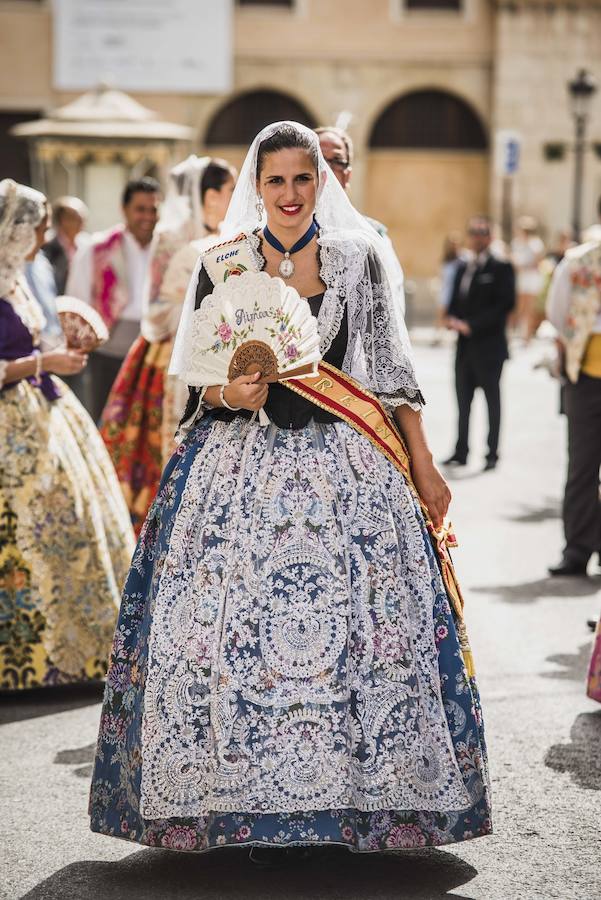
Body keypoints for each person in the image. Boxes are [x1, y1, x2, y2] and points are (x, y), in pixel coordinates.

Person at [89, 122, 491, 858]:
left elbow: (393, 375)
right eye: (275, 181)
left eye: (303, 179)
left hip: (347, 468)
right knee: (216, 633)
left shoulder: (357, 257)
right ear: (256, 185)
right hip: (237, 468)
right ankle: (223, 797)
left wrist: (426, 468)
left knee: (366, 631)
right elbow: (197, 390)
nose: (290, 195)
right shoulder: (223, 262)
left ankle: (361, 799)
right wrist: (233, 395)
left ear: (322, 181)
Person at [0, 179, 135, 691]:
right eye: (35, 231)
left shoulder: (18, 277)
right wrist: (43, 361)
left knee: (67, 521)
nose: (41, 240)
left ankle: (73, 650)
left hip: (42, 412)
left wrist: (55, 353)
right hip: (11, 423)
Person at [100, 157, 236, 533]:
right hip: (168, 352)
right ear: (209, 196)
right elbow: (157, 305)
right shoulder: (173, 238)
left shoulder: (233, 235)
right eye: (229, 190)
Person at [67, 177, 160, 422]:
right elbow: (77, 299)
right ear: (124, 210)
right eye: (140, 209)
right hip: (107, 349)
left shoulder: (166, 248)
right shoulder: (97, 248)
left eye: (153, 210)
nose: (148, 216)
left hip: (154, 352)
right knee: (106, 420)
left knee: (144, 425)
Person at [546, 205, 601, 577]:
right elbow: (556, 311)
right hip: (586, 377)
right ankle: (578, 549)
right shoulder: (578, 261)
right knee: (582, 466)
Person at [444, 216, 516, 472]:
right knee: (463, 402)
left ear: (490, 236)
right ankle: (461, 450)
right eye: (473, 231)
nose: (477, 236)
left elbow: (505, 305)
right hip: (464, 348)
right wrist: (452, 318)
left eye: (482, 232)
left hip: (489, 348)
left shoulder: (501, 266)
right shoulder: (463, 266)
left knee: (492, 401)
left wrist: (472, 324)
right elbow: (455, 299)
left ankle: (492, 453)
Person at [315, 125, 405, 317]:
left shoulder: (373, 235)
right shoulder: (280, 230)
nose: (327, 170)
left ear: (348, 174)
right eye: (319, 160)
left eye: (337, 161)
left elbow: (390, 308)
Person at [42, 196, 89, 294]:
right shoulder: (46, 246)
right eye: (75, 217)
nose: (81, 220)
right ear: (62, 220)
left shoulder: (86, 244)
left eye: (82, 216)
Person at [511, 216, 545, 341]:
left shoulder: (535, 243)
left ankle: (527, 335)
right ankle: (517, 332)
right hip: (521, 277)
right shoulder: (516, 243)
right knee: (519, 306)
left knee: (530, 307)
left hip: (532, 278)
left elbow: (538, 261)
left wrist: (525, 266)